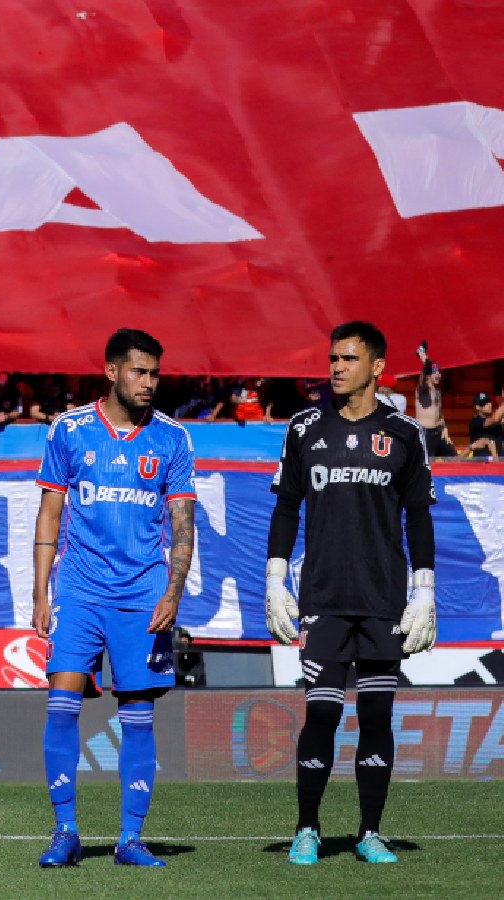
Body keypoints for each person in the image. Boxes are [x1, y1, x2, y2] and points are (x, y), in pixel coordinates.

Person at [264, 320, 437, 866]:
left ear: (377, 367)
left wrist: (425, 590)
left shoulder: (406, 433)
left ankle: (369, 833)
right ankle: (307, 828)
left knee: (379, 715)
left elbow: (418, 517)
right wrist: (275, 577)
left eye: (348, 358)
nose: (336, 367)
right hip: (324, 601)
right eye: (333, 358)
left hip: (384, 600)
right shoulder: (304, 428)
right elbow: (287, 505)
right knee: (321, 715)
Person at [32, 328, 197, 869]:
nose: (148, 383)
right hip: (78, 591)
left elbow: (181, 527)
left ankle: (130, 839)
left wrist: (172, 592)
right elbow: (50, 514)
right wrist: (39, 591)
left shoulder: (171, 439)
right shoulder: (70, 431)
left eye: (154, 374)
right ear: (111, 372)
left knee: (138, 717)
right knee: (61, 706)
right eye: (138, 372)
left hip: (144, 594)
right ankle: (65, 832)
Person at [413, 345, 457, 457]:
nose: (438, 374)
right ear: (428, 375)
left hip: (439, 432)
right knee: (428, 464)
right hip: (425, 433)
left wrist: (445, 428)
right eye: (435, 372)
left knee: (454, 458)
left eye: (439, 372)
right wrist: (423, 356)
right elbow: (426, 369)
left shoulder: (437, 391)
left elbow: (439, 414)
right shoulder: (422, 389)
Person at [467, 392, 503, 458]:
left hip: (499, 463)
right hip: (482, 463)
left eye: (489, 402)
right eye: (485, 404)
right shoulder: (475, 421)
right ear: (477, 407)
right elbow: (494, 419)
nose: (489, 405)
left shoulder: (496, 423)